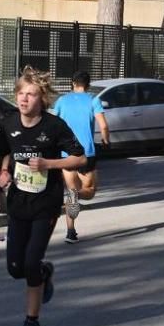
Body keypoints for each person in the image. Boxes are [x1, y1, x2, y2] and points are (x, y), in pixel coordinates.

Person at [0, 66, 86, 326]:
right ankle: (45, 273)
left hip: (45, 203)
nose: (24, 99)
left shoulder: (53, 126)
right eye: (21, 93)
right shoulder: (8, 123)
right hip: (18, 202)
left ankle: (31, 322)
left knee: (31, 261)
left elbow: (79, 158)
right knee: (15, 267)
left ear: (42, 98)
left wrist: (50, 163)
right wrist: (4, 171)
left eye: (31, 94)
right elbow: (5, 152)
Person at [52, 71, 111, 244]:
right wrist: (106, 140)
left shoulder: (62, 101)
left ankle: (71, 232)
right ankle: (74, 196)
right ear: (88, 84)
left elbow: (54, 122)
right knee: (90, 190)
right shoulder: (94, 100)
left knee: (71, 191)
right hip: (86, 153)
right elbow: (104, 126)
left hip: (66, 153)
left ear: (72, 83)